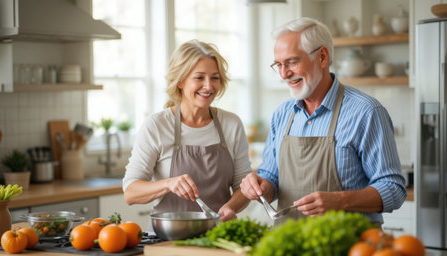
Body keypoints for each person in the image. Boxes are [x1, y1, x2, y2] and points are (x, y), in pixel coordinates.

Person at [240, 17, 407, 225]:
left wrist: (340, 200)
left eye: (291, 62)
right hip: (289, 243)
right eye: (278, 65)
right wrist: (260, 186)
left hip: (349, 245)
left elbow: (394, 189)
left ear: (322, 57)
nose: (284, 74)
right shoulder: (282, 114)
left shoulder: (366, 112)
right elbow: (271, 178)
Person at [123, 39, 251, 222]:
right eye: (199, 78)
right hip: (168, 239)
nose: (209, 86)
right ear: (180, 81)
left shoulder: (231, 124)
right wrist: (169, 183)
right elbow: (130, 192)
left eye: (215, 78)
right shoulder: (157, 125)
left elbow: (243, 186)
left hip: (218, 236)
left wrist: (230, 207)